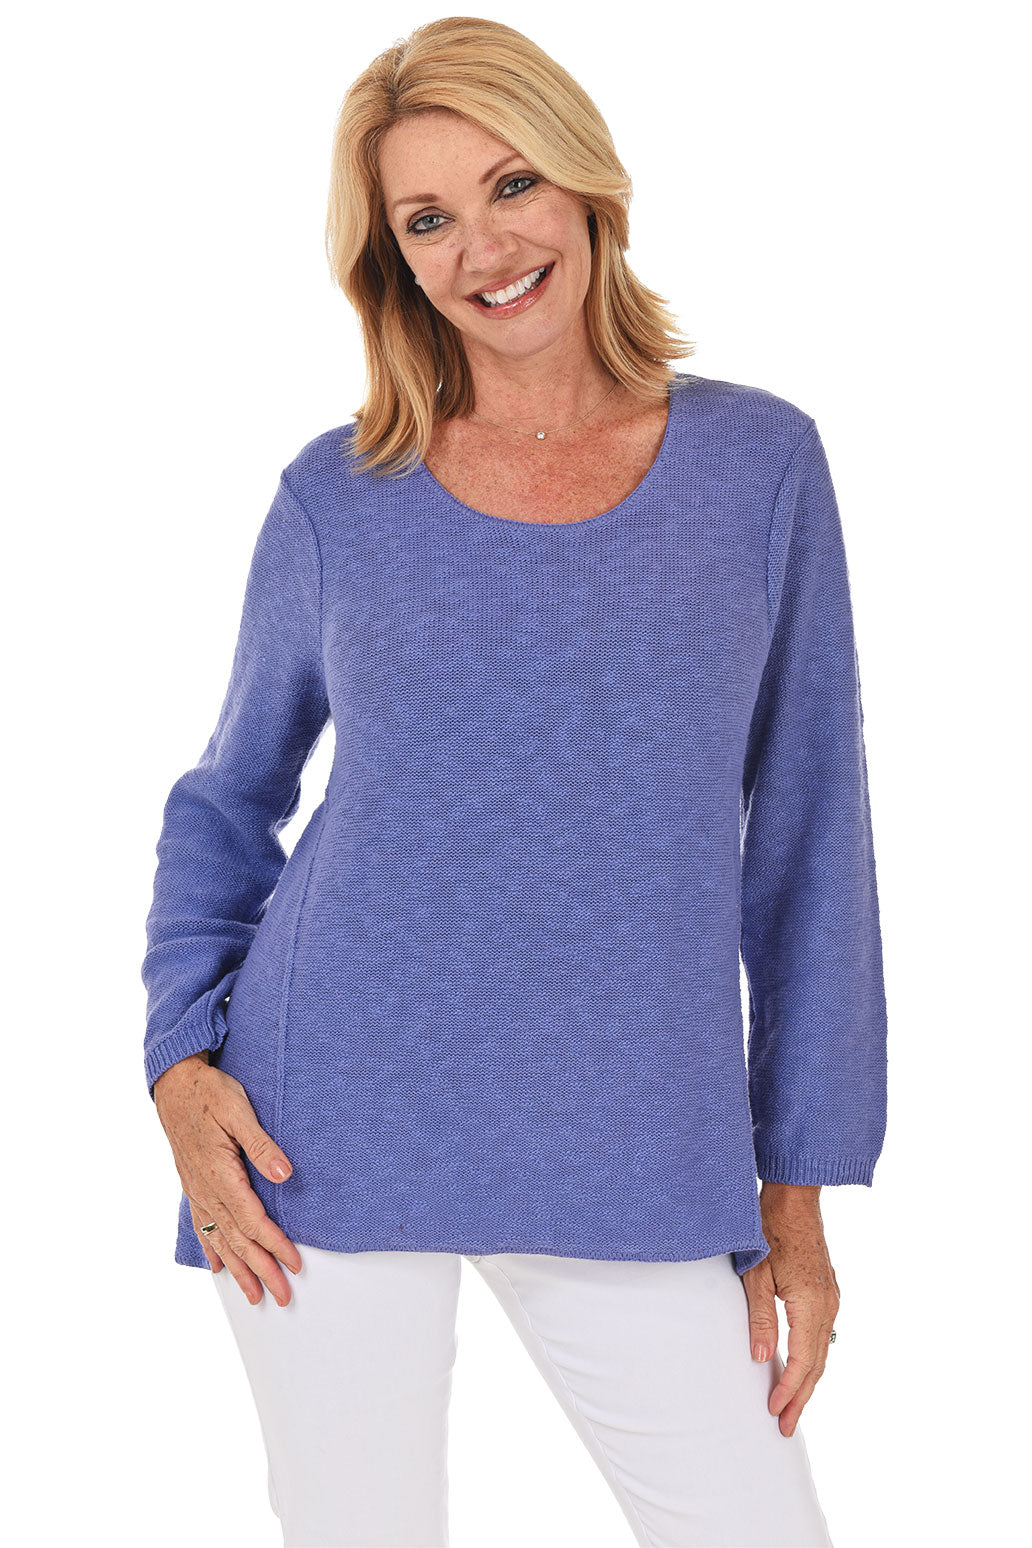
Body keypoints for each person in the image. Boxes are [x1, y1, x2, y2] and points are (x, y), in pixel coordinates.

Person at [141, 17, 888, 1548]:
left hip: (637, 1136)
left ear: (588, 185)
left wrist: (798, 1192)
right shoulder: (340, 494)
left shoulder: (759, 468)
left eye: (511, 184)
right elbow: (228, 800)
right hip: (320, 1124)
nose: (482, 247)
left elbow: (812, 836)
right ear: (393, 263)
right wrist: (177, 1069)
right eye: (426, 220)